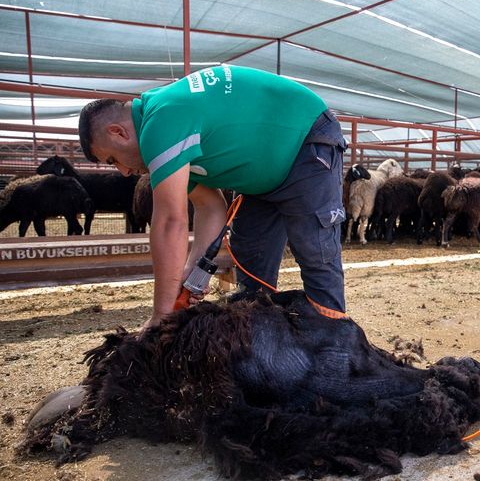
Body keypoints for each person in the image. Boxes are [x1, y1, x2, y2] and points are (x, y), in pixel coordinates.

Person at [78, 65, 348, 329]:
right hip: (266, 173)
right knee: (250, 252)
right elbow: (210, 206)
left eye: (113, 159)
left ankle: (336, 346)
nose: (124, 172)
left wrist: (162, 314)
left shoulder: (161, 121)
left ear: (118, 131)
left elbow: (171, 221)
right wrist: (194, 271)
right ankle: (261, 336)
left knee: (315, 250)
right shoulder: (169, 125)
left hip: (306, 140)